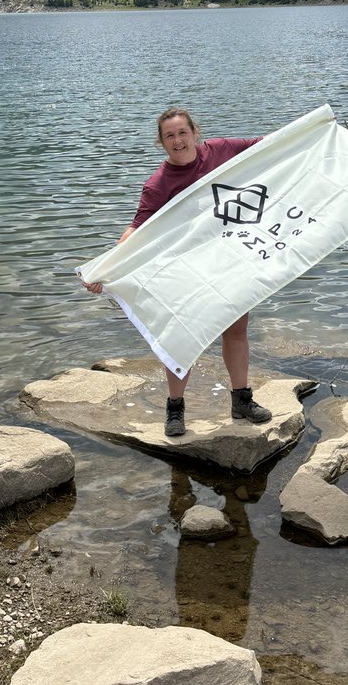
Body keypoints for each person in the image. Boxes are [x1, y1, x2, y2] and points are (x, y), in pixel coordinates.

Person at [84, 107, 273, 438]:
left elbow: (269, 145)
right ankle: (175, 409)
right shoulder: (158, 184)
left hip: (228, 257)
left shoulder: (220, 150)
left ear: (194, 133)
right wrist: (104, 268)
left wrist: (314, 129)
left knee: (237, 328)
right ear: (161, 142)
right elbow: (138, 229)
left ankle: (241, 400)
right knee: (181, 336)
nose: (177, 140)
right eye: (169, 135)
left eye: (182, 132)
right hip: (186, 267)